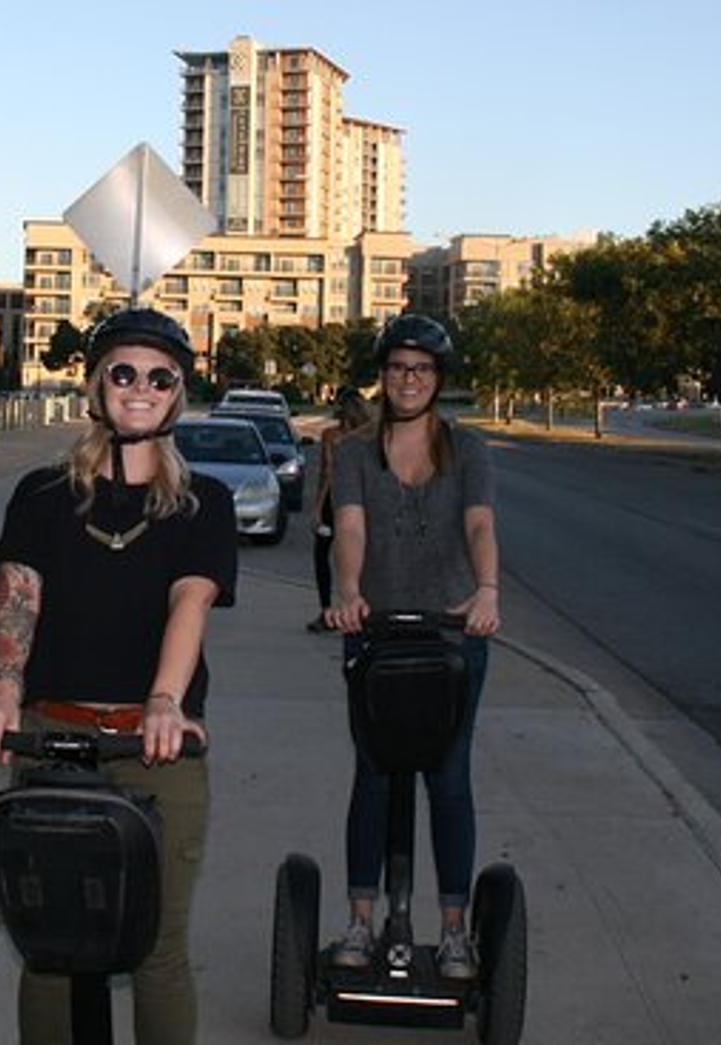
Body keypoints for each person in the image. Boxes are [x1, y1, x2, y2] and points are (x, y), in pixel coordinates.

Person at [0, 307, 236, 1045]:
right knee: (50, 949)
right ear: (95, 383)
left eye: (159, 377)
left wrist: (165, 703)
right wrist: (1, 691)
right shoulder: (43, 495)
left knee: (158, 950)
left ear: (177, 393)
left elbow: (190, 602)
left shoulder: (204, 504)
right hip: (51, 738)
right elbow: (19, 593)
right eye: (123, 372)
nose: (139, 388)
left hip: (155, 750)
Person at [323, 313, 500, 980]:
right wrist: (346, 590)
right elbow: (349, 529)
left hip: (455, 631)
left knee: (447, 775)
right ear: (384, 375)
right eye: (398, 367)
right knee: (373, 773)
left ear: (438, 378)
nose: (409, 379)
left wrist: (486, 590)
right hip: (375, 633)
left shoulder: (469, 449)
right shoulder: (355, 452)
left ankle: (455, 929)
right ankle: (362, 921)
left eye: (422, 369)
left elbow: (479, 523)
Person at [306, 387, 373, 632]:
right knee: (359, 556)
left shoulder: (332, 436)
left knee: (323, 555)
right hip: (361, 502)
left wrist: (317, 508)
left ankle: (328, 611)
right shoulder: (368, 438)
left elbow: (327, 474)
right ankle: (359, 609)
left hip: (334, 500)